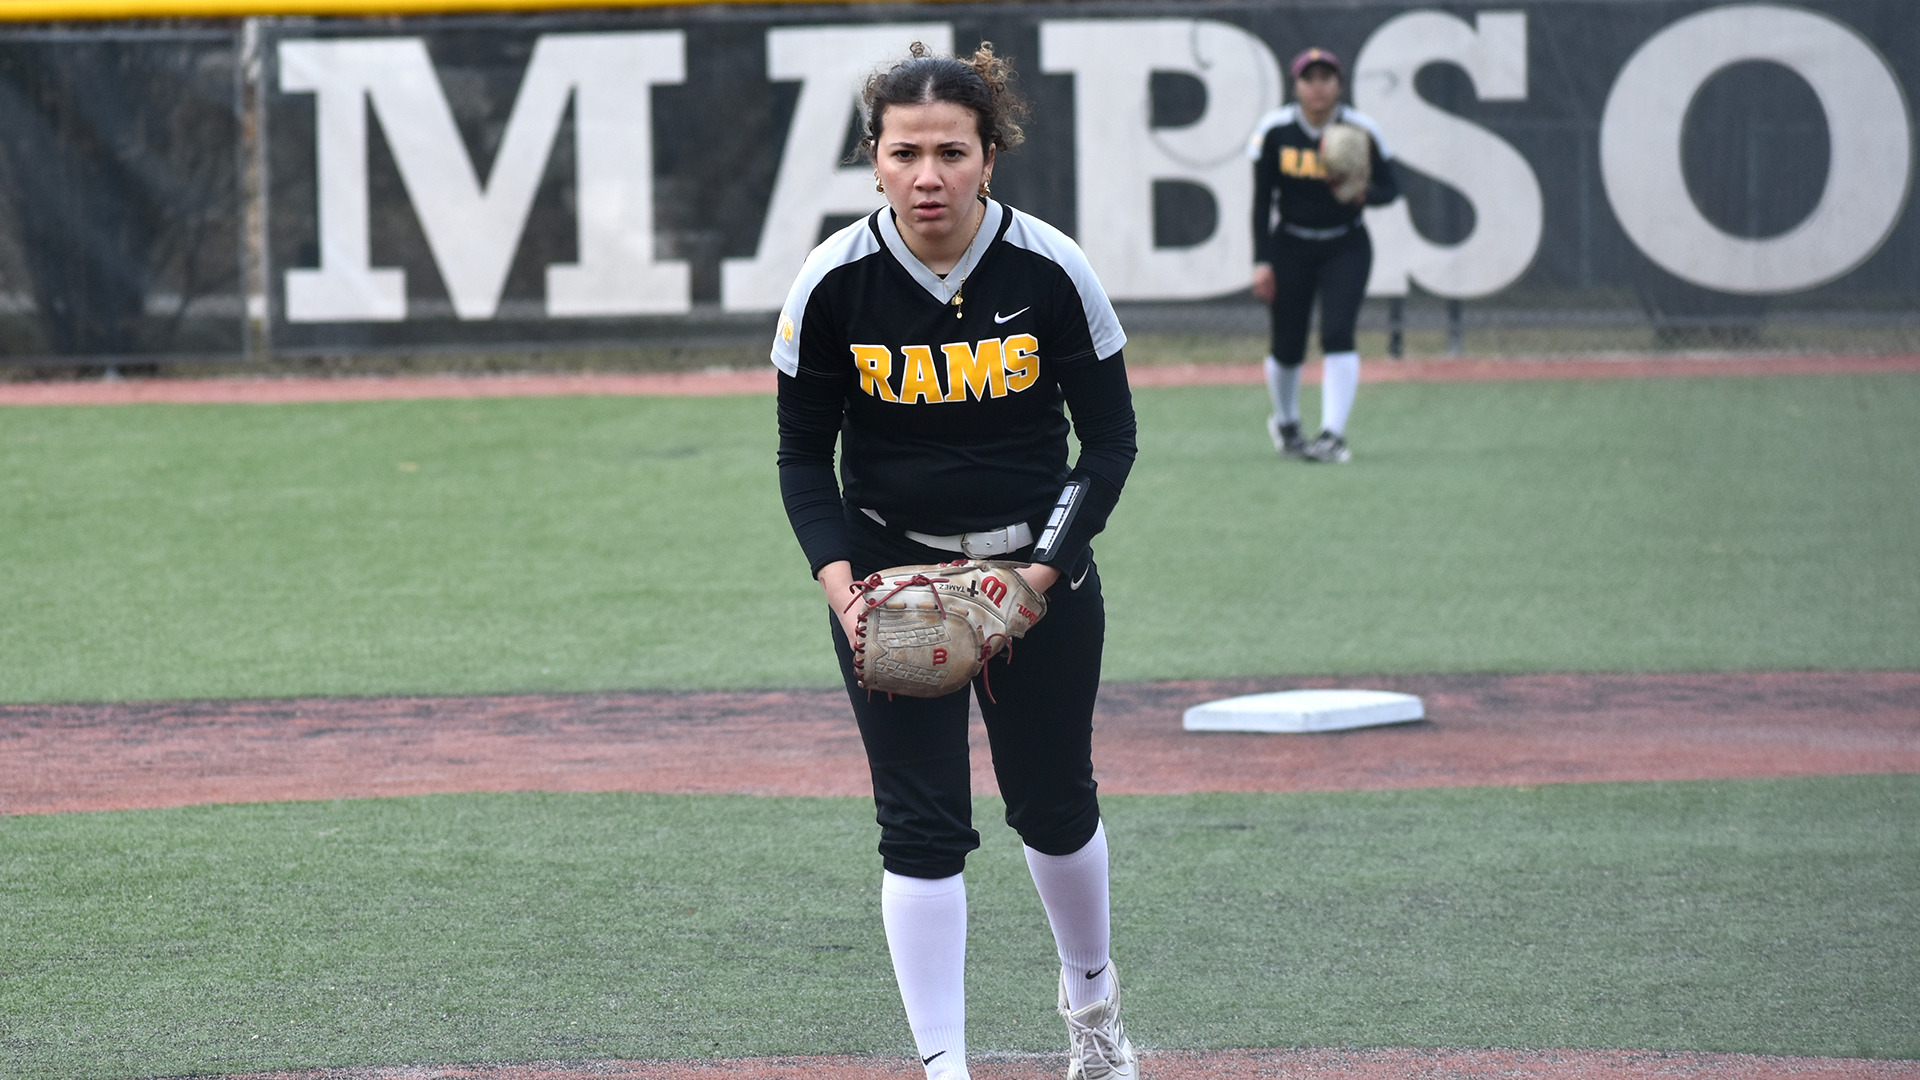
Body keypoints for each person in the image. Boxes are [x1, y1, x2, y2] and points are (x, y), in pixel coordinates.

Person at [770, 41, 1140, 1080]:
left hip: (1036, 576)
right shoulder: (835, 282)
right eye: (903, 153)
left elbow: (1107, 442)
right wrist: (844, 590)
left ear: (990, 156)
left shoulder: (1050, 269)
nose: (926, 175)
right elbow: (804, 454)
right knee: (919, 828)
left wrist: (1039, 577)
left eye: (950, 151)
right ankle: (945, 1068)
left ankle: (1096, 1015)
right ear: (873, 160)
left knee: (1053, 803)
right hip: (888, 579)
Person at [1248, 46, 1400, 463]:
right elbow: (1262, 201)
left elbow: (1392, 187)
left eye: (1326, 77)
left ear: (1340, 84)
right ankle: (1287, 422)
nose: (1318, 87)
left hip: (1345, 243)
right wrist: (1261, 261)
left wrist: (1363, 193)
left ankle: (1332, 435)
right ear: (1296, 85)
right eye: (1309, 78)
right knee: (1287, 343)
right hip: (1291, 243)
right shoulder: (1276, 130)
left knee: (1337, 333)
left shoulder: (1361, 128)